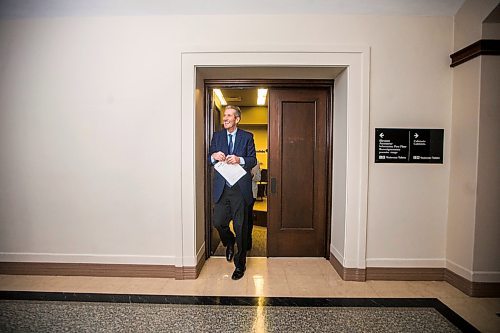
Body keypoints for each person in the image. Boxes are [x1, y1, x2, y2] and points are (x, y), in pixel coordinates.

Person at [208, 105, 256, 280]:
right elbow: (209, 157)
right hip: (222, 189)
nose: (225, 118)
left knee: (241, 227)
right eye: (225, 115)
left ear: (237, 119)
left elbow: (252, 160)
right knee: (218, 222)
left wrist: (239, 159)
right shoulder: (217, 136)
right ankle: (229, 242)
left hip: (239, 190)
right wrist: (213, 157)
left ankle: (240, 265)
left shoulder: (247, 137)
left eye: (229, 115)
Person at [247, 162, 261, 251]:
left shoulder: (256, 163)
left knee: (248, 217)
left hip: (252, 194)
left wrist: (252, 175)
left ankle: (248, 240)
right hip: (240, 194)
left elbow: (258, 178)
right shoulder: (238, 160)